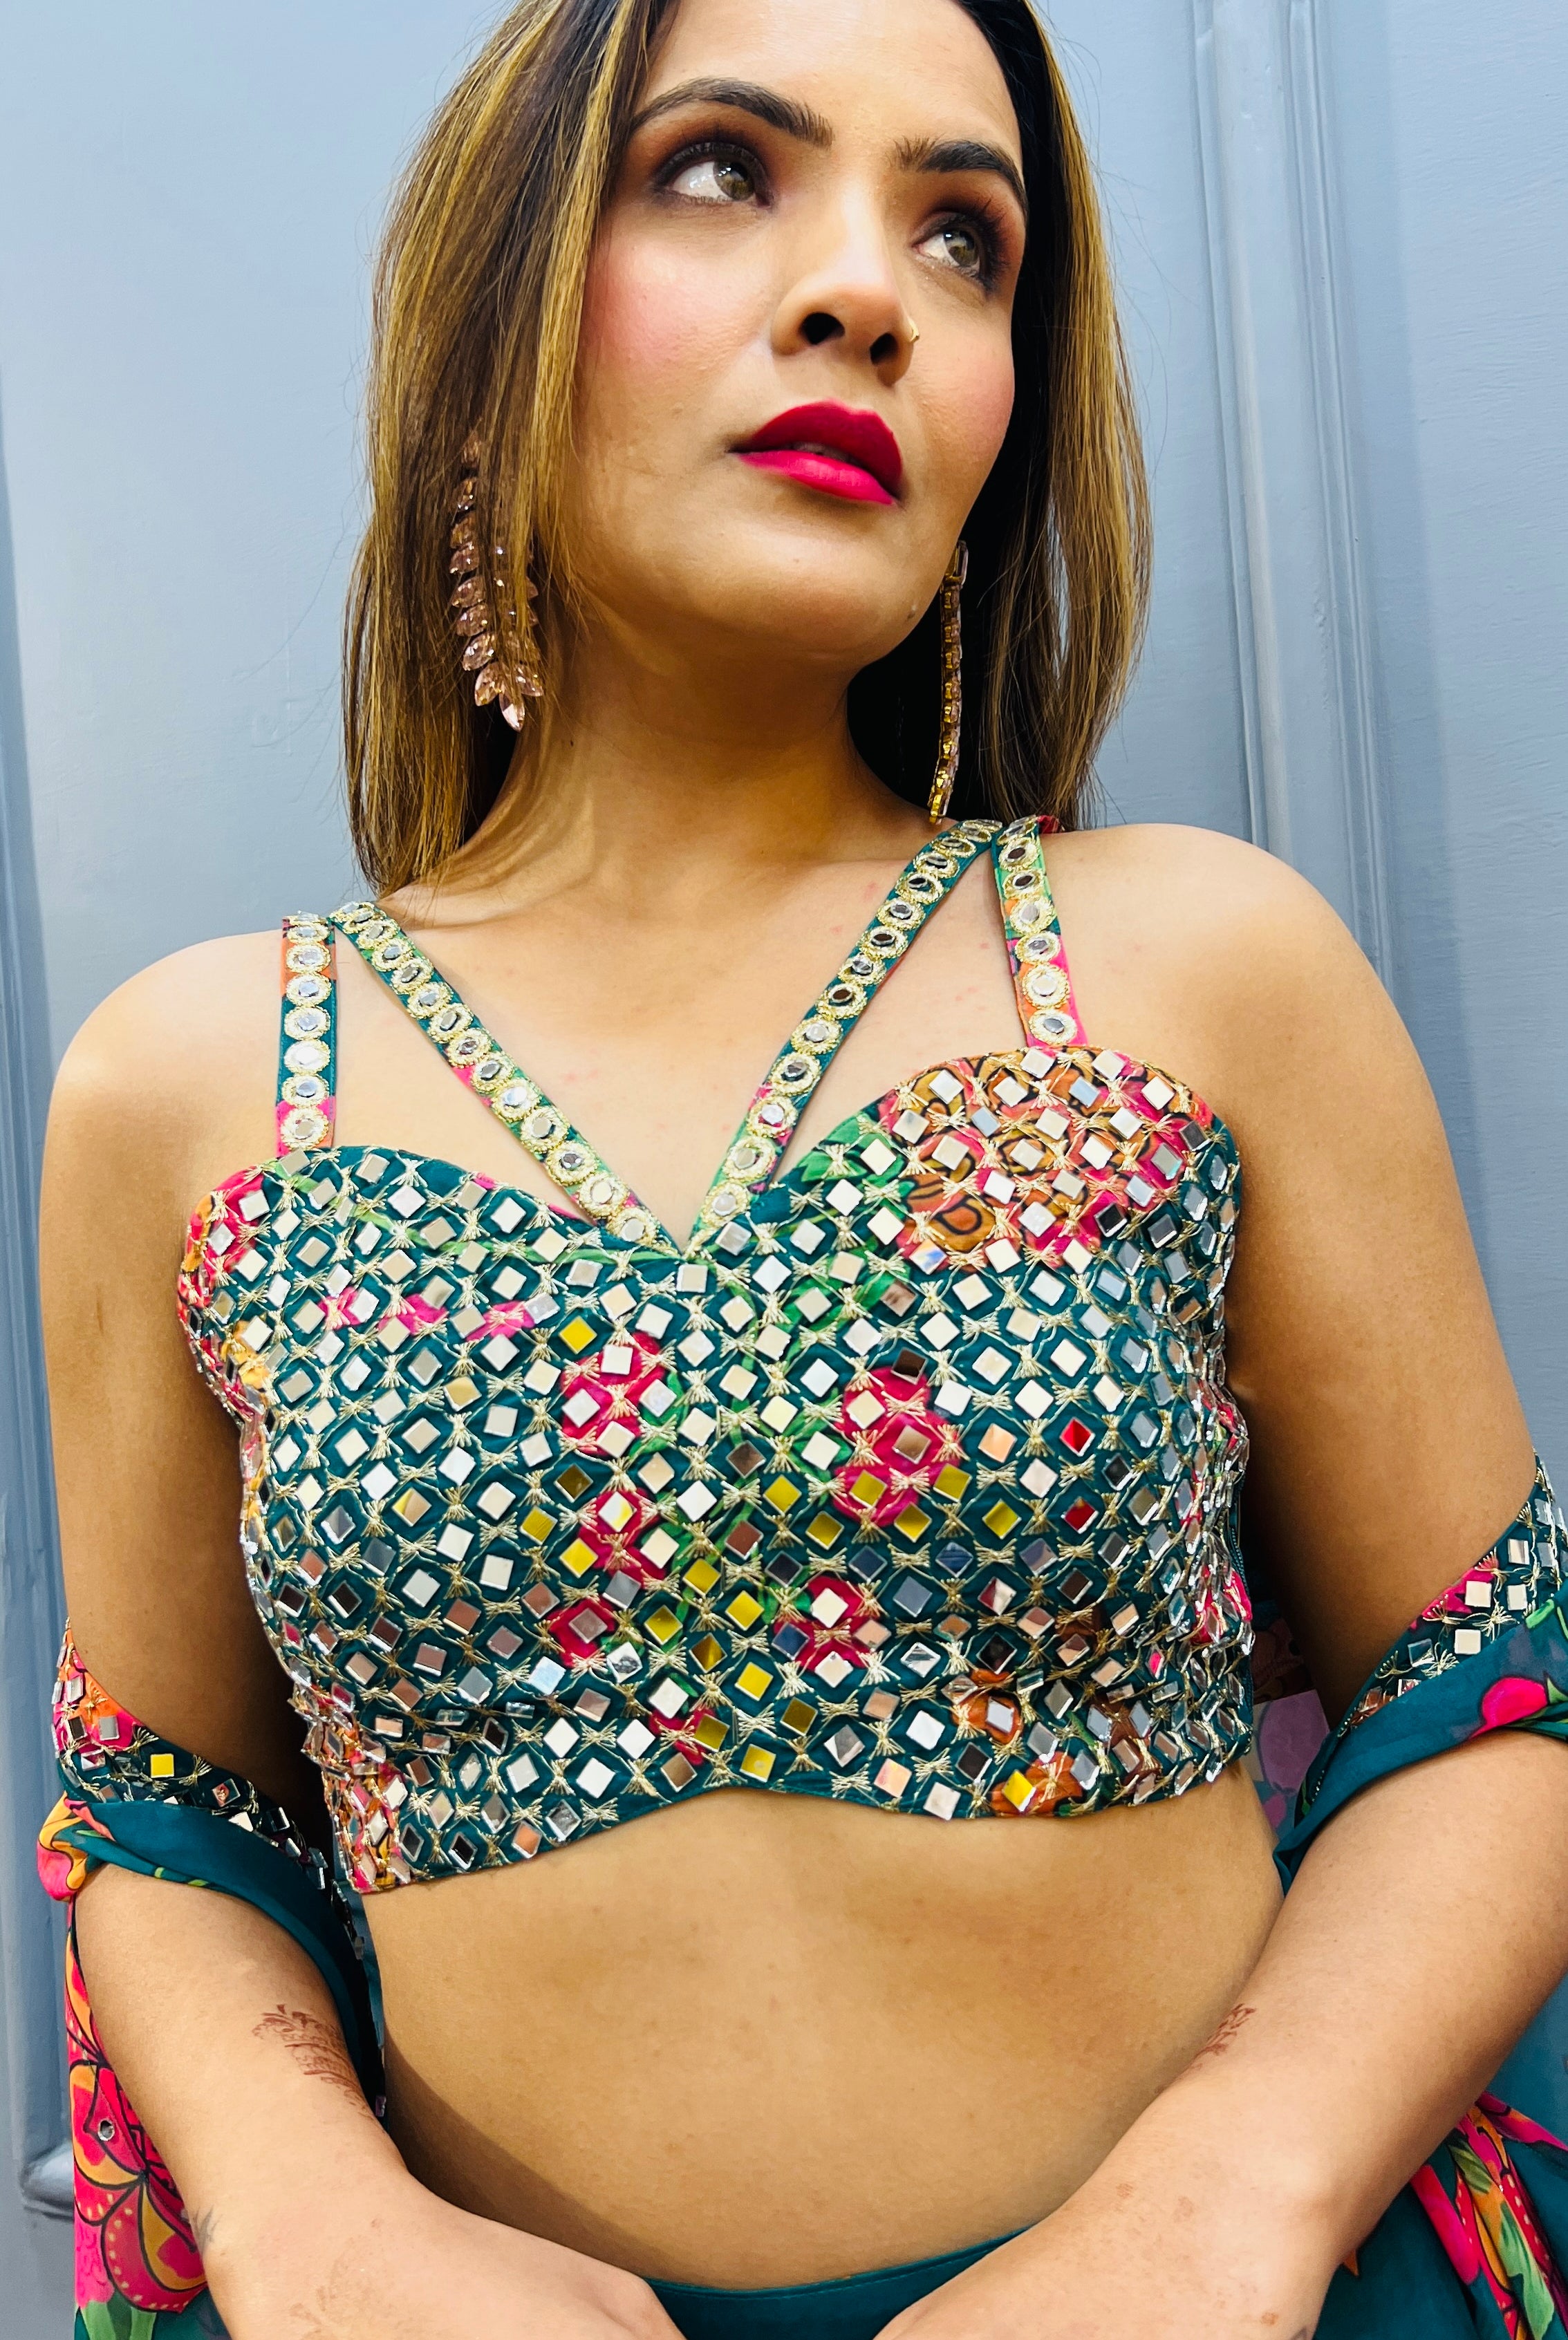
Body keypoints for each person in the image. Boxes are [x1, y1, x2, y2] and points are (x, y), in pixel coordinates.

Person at [35, 0, 1568, 2334]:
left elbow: (1490, 1693)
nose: (869, 288)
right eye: (721, 170)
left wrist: (1223, 2205)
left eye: (964, 240)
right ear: (492, 314)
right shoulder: (198, 1079)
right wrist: (306, 2216)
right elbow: (164, 1807)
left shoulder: (1192, 966)